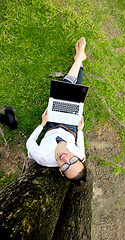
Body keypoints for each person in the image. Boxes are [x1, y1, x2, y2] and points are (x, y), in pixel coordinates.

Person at [26, 37, 87, 186]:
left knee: (67, 89)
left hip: (52, 124)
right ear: (78, 159)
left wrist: (42, 124)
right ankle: (79, 60)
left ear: (61, 171)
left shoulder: (42, 157)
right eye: (73, 160)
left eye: (66, 166)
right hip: (71, 127)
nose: (66, 159)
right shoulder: (80, 155)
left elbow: (30, 142)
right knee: (73, 93)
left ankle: (79, 59)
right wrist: (80, 131)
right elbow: (81, 148)